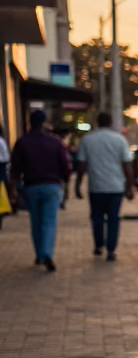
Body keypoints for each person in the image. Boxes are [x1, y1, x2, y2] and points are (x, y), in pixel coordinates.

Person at [10, 110, 71, 271]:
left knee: (36, 222)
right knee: (49, 222)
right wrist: (66, 183)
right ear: (44, 123)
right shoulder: (55, 142)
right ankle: (47, 253)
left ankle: (39, 254)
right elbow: (65, 166)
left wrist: (13, 190)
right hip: (52, 186)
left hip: (31, 186)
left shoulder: (22, 142)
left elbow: (15, 169)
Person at [74, 112, 135, 261]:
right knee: (114, 219)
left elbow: (81, 165)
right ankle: (111, 249)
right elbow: (127, 165)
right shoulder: (120, 140)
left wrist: (77, 184)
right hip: (116, 187)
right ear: (111, 122)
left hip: (96, 186)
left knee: (97, 218)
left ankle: (99, 245)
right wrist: (130, 186)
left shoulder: (87, 140)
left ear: (97, 122)